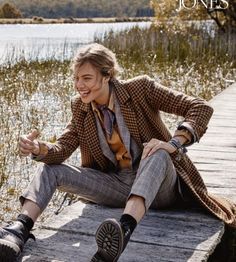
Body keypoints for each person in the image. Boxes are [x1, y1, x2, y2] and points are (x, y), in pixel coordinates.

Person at [0, 43, 235, 262]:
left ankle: (122, 230)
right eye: (76, 79)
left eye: (87, 78)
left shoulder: (140, 88)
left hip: (160, 187)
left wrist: (173, 143)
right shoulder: (80, 107)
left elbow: (200, 107)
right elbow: (62, 148)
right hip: (116, 185)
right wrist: (39, 148)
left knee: (157, 153)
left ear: (108, 75)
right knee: (50, 169)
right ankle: (19, 229)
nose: (80, 85)